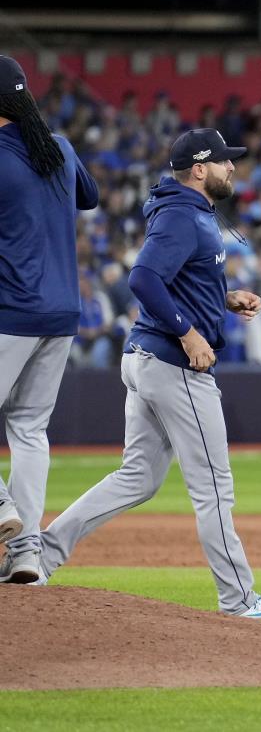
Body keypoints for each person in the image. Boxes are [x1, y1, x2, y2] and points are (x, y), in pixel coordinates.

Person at [38, 129, 261, 622]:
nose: (232, 168)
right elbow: (143, 276)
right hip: (173, 364)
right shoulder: (183, 214)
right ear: (199, 169)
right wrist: (187, 332)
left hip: (146, 359)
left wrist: (224, 298)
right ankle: (240, 601)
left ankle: (42, 555)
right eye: (224, 162)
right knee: (214, 487)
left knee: (136, 478)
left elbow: (177, 276)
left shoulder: (187, 209)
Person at [0, 56, 99, 580]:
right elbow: (91, 196)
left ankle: (3, 511)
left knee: (27, 429)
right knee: (29, 431)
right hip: (61, 311)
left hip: (10, 311)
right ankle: (28, 556)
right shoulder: (57, 147)